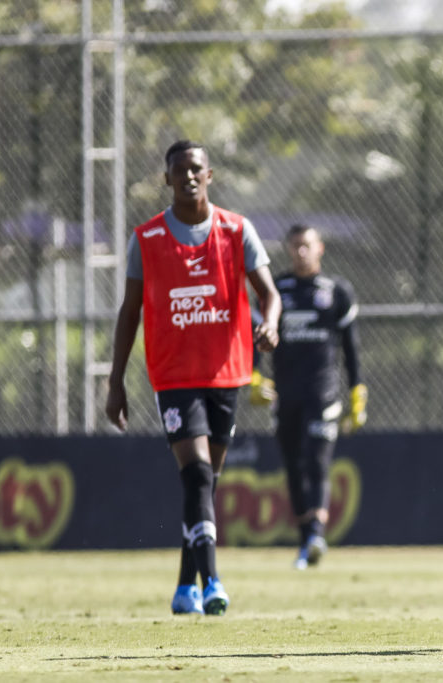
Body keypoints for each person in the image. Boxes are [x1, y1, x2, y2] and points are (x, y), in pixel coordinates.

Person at [105, 140, 280, 616]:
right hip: (174, 376)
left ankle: (185, 585)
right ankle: (212, 582)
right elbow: (130, 311)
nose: (188, 176)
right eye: (179, 169)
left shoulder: (237, 230)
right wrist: (115, 380)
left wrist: (271, 322)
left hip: (226, 373)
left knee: (203, 482)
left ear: (209, 174)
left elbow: (269, 293)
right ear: (166, 178)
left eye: (196, 168)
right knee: (199, 472)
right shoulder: (147, 239)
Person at [268, 224, 366, 570]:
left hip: (324, 392)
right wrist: (254, 378)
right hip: (285, 393)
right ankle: (306, 539)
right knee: (293, 465)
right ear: (288, 249)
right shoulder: (276, 289)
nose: (301, 252)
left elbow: (351, 348)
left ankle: (316, 535)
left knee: (317, 461)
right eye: (295, 246)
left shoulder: (337, 291)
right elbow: (255, 336)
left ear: (320, 248)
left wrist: (357, 392)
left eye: (307, 245)